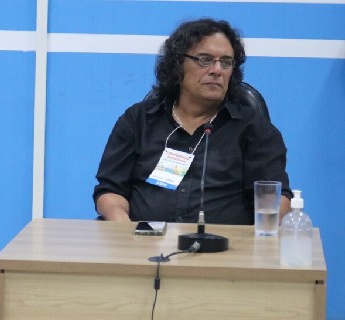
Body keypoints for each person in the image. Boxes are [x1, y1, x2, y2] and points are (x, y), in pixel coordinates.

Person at [93, 18, 291, 224]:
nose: (217, 70)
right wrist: (123, 227)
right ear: (178, 64)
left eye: (226, 62)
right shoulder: (138, 120)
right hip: (144, 241)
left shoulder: (253, 127)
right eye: (205, 59)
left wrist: (269, 226)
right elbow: (110, 190)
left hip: (225, 243)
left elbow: (276, 198)